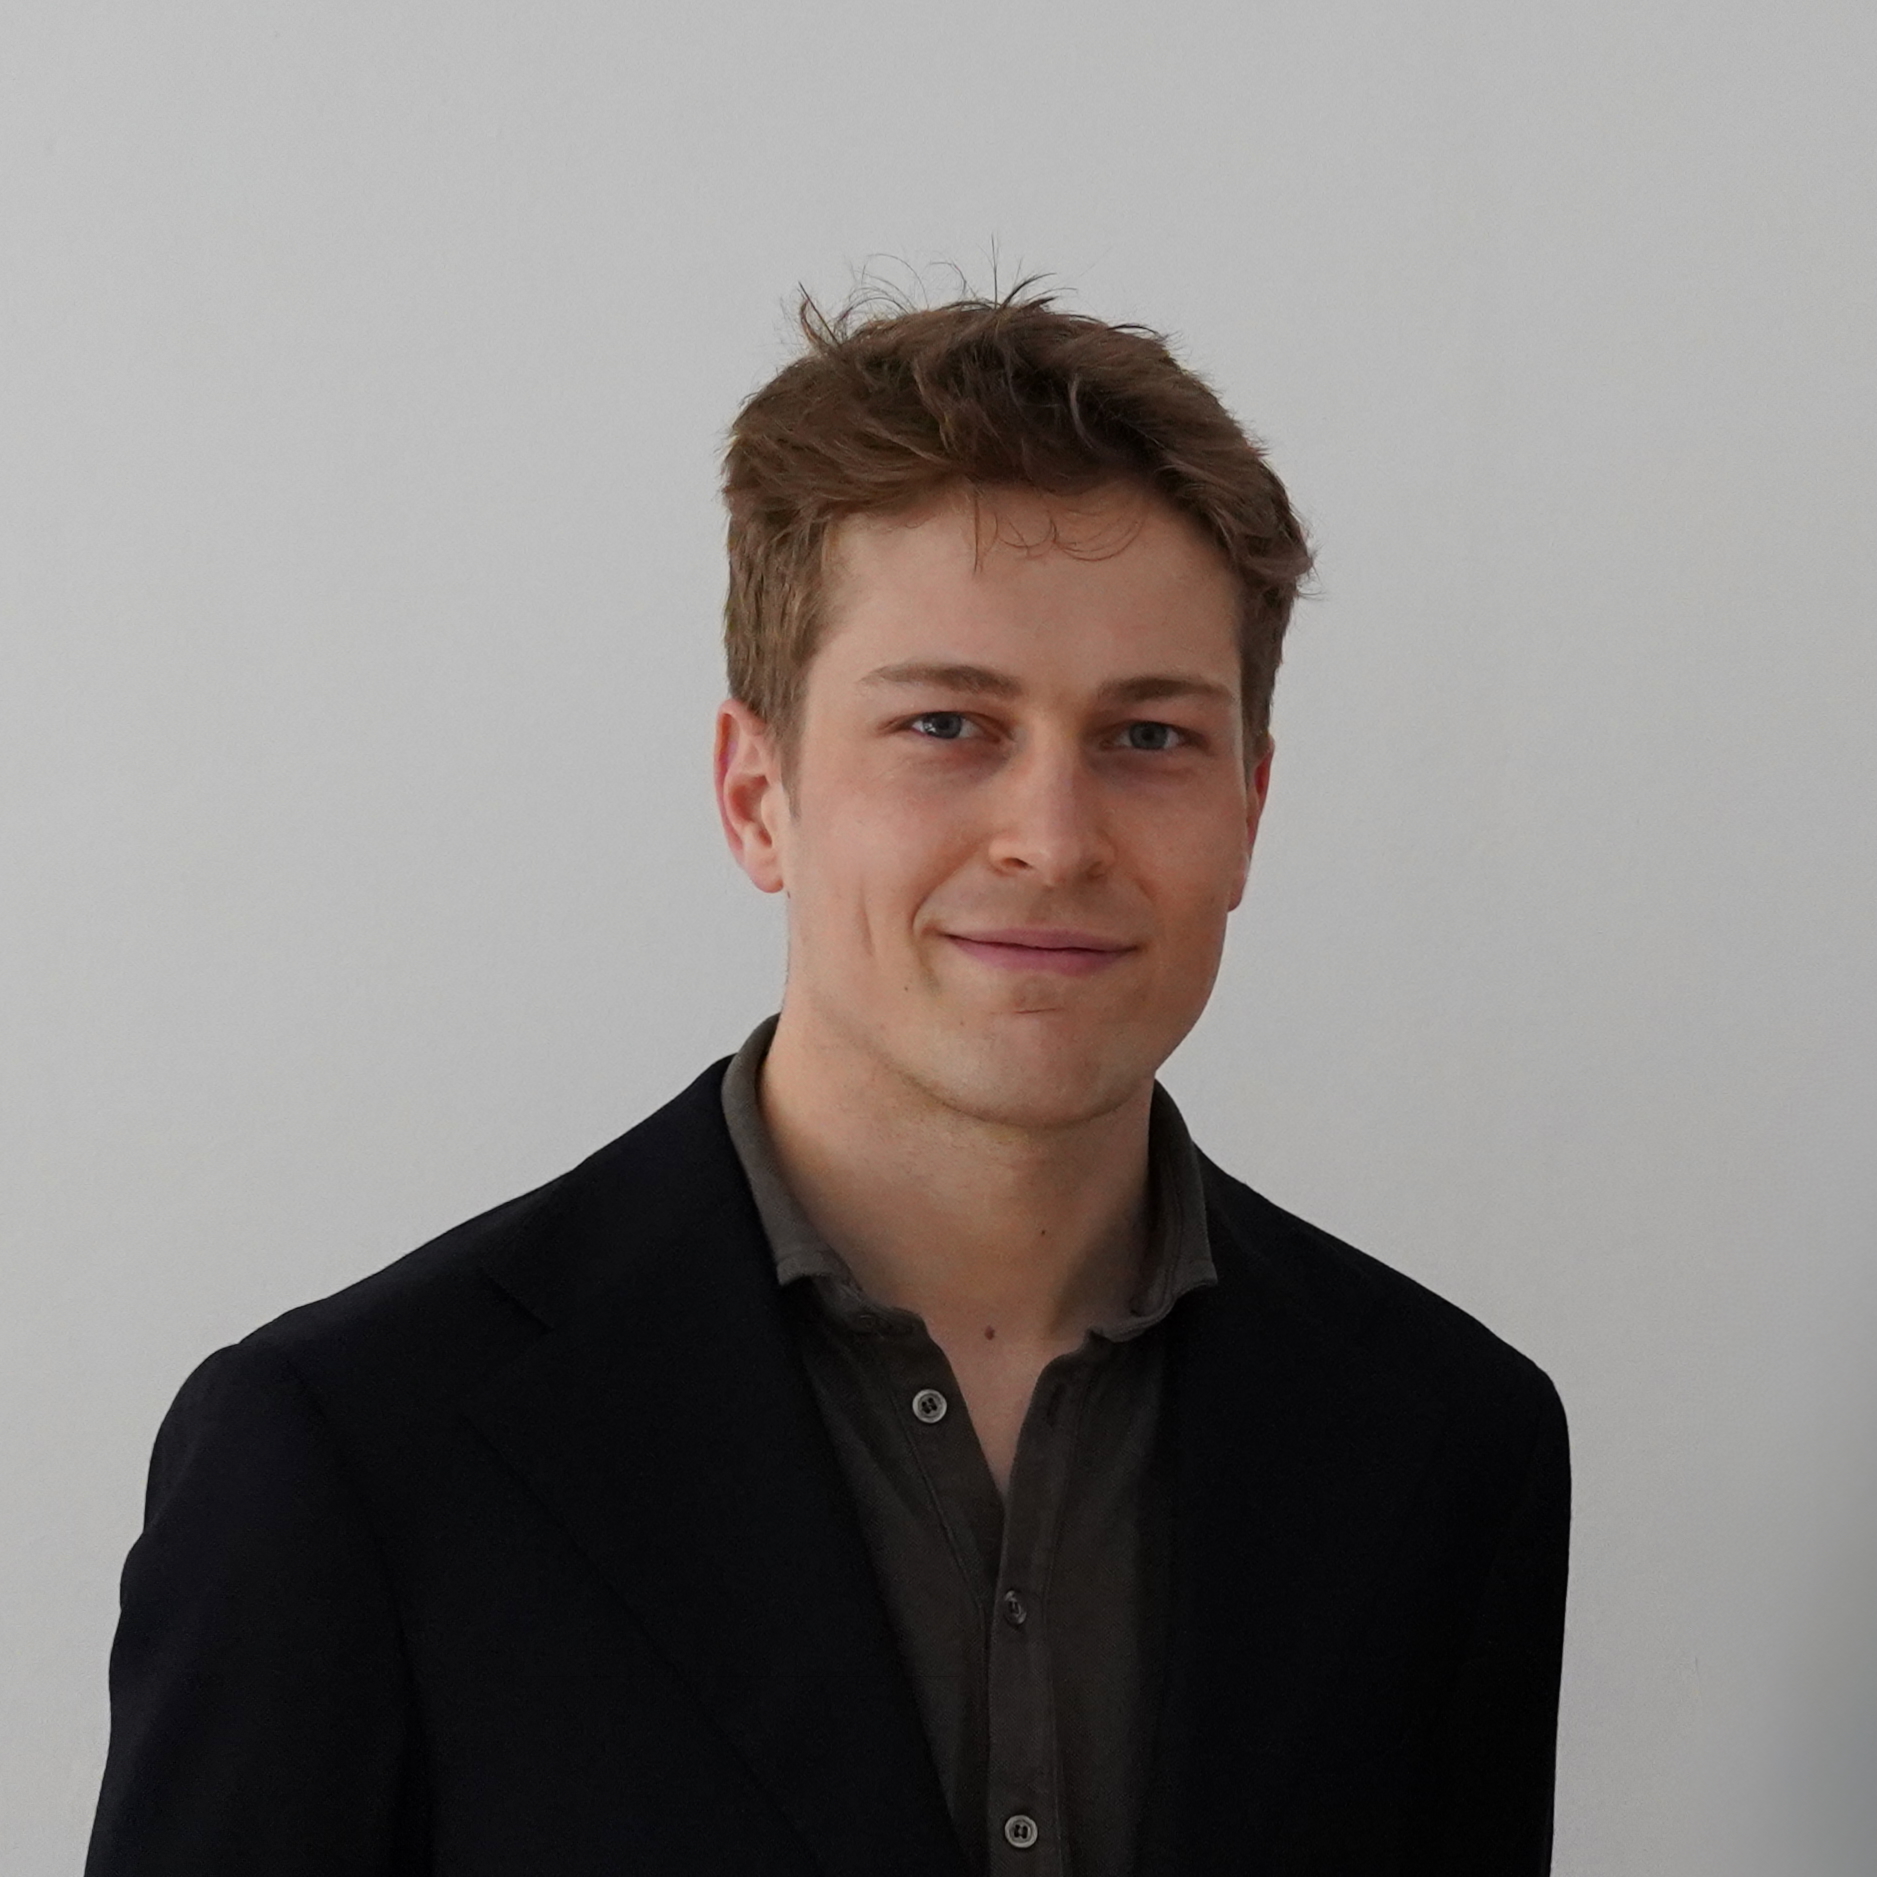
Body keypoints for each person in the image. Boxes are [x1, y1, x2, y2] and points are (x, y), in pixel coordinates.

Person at [85, 289, 1570, 1877]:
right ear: (756, 795)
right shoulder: (352, 1450)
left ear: (1249, 811)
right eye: (946, 723)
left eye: (1147, 737)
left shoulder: (1447, 1446)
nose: (1052, 838)